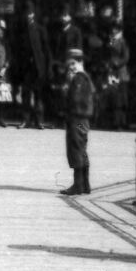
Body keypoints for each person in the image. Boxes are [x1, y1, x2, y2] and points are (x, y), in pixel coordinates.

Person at [59, 48, 95, 196]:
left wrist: (66, 89)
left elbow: (76, 99)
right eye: (70, 64)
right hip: (83, 121)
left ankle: (78, 185)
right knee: (81, 147)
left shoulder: (79, 79)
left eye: (73, 63)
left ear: (80, 62)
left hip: (77, 120)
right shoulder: (84, 77)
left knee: (76, 147)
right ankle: (85, 185)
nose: (71, 67)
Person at [17, 1, 52, 130]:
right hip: (26, 67)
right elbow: (18, 50)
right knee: (25, 94)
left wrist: (48, 68)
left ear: (34, 14)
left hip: (38, 67)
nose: (28, 16)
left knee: (38, 94)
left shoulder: (40, 29)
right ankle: (25, 120)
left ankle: (39, 120)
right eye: (27, 13)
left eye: (30, 13)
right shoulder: (21, 31)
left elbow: (47, 50)